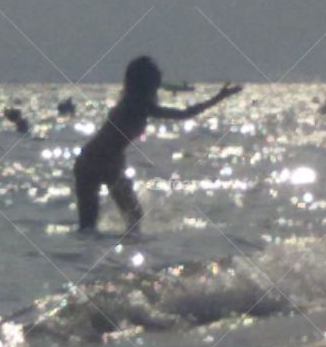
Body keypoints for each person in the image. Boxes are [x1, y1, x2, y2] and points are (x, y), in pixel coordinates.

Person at [73, 56, 241, 233]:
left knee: (120, 221)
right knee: (119, 221)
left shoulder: (132, 101)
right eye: (155, 77)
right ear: (146, 82)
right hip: (96, 162)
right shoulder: (138, 105)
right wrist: (218, 98)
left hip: (97, 160)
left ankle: (110, 256)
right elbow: (184, 114)